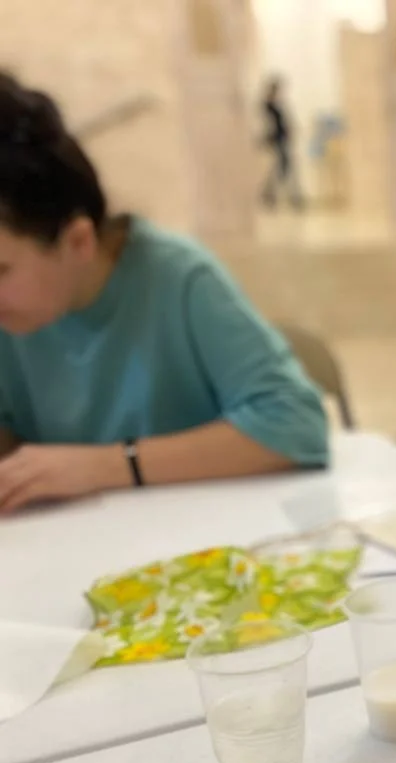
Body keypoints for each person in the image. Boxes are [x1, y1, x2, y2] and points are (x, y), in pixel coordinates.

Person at [0, 72, 329, 514]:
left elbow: (296, 423)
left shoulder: (180, 279)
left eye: (1, 271)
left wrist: (106, 465)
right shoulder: (15, 317)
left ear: (78, 242)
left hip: (203, 535)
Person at [260, 75, 302, 209]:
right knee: (282, 168)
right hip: (277, 140)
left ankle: (273, 195)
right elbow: (270, 124)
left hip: (282, 139)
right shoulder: (268, 106)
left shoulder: (276, 105)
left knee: (283, 168)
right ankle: (273, 195)